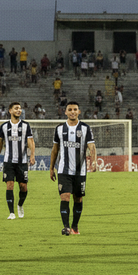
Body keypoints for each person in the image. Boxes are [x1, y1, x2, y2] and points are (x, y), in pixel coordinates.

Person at [49, 101, 97, 236]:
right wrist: (51, 167)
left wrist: (94, 162)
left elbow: (92, 146)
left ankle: (75, 226)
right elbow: (55, 149)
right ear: (65, 112)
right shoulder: (59, 129)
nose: (72, 112)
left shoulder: (85, 128)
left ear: (79, 112)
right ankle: (66, 227)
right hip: (63, 170)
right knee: (64, 197)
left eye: (75, 109)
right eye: (70, 109)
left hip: (80, 171)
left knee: (78, 199)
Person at [0, 102, 35, 220]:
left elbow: (31, 141)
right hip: (9, 161)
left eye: (20, 108)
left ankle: (20, 205)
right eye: (16, 108)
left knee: (23, 186)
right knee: (10, 185)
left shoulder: (26, 126)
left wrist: (32, 155)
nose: (19, 110)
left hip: (22, 162)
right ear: (10, 111)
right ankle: (11, 212)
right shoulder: (4, 126)